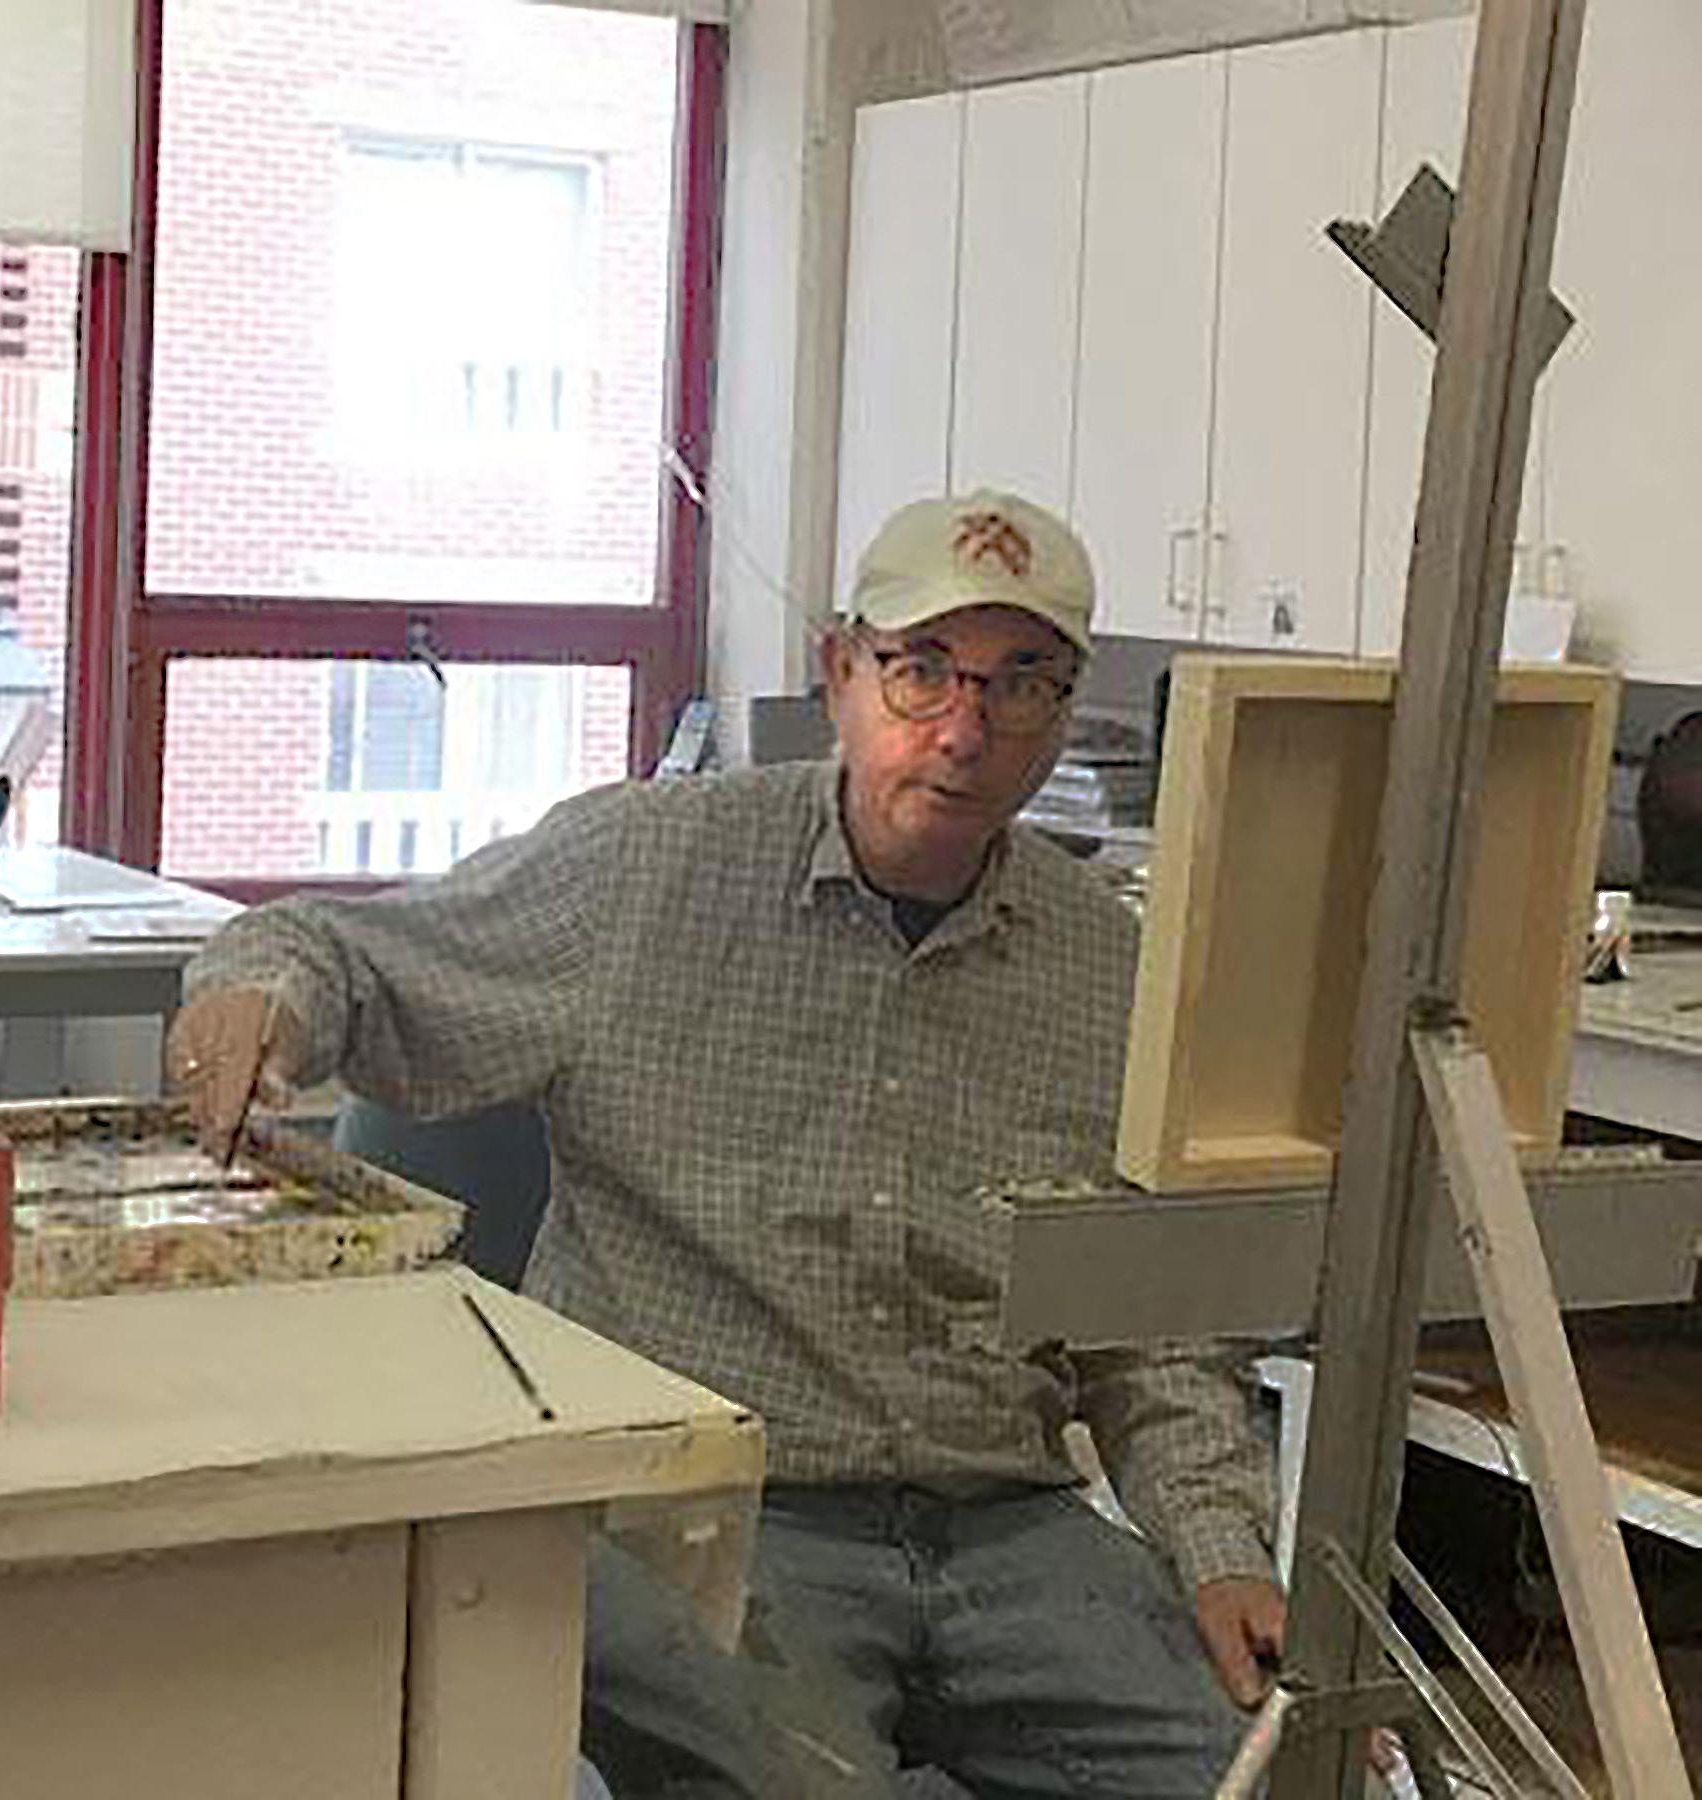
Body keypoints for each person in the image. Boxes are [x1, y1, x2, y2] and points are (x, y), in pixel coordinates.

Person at [170, 489, 1282, 1798]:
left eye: (1019, 682)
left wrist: (1221, 1550)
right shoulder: (645, 870)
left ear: (1067, 707)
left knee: (1277, 1769)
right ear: (839, 671)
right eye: (922, 671)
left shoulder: (1114, 973)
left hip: (1012, 1531)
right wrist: (257, 997)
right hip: (729, 1513)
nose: (965, 728)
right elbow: (333, 951)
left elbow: (1155, 1334)